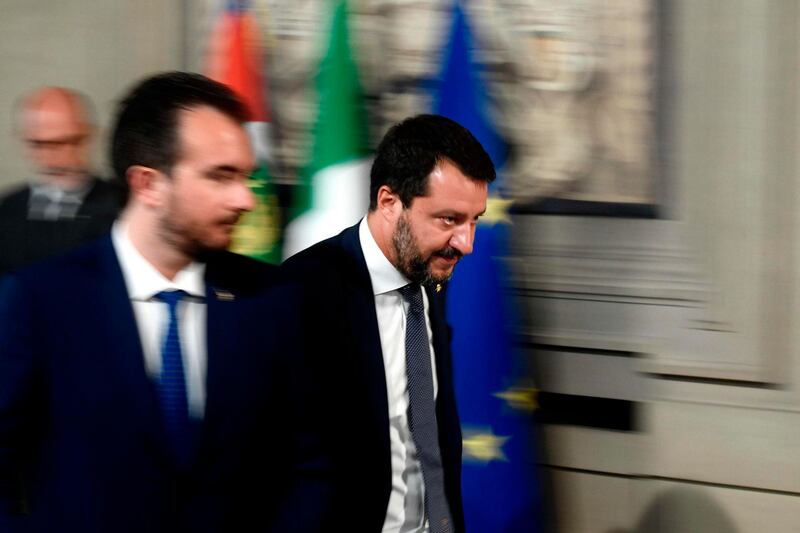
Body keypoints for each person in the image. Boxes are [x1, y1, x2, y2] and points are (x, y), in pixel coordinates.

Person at [0, 72, 306, 532]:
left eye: (245, 175)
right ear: (148, 184)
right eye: (221, 176)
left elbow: (311, 462)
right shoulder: (40, 300)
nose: (245, 198)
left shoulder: (272, 297)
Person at [284, 114, 495, 533]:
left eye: (475, 220)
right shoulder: (301, 292)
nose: (466, 243)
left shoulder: (430, 275)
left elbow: (433, 442)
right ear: (389, 202)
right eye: (449, 219)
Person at [0, 86, 124, 274]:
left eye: (68, 142)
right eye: (39, 144)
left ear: (89, 135)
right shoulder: (7, 212)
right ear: (22, 140)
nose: (54, 158)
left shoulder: (123, 207)